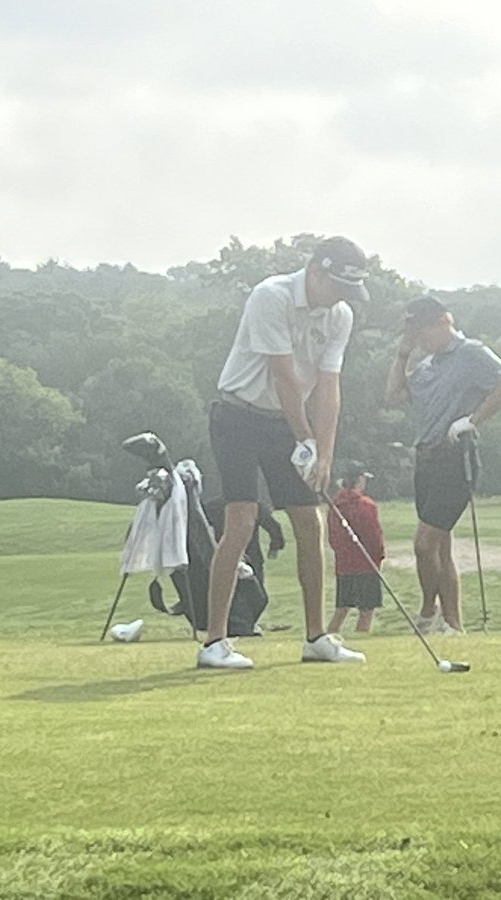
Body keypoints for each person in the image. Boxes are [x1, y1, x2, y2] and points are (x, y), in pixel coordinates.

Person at [198, 236, 372, 669]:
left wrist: (325, 453)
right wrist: (306, 440)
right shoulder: (270, 296)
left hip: (282, 425)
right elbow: (284, 377)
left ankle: (315, 637)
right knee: (241, 520)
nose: (341, 299)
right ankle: (214, 643)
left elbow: (329, 387)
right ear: (315, 270)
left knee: (309, 524)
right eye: (337, 286)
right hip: (237, 415)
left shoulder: (339, 316)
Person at [384, 295, 501, 633]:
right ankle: (454, 624)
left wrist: (473, 420)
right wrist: (403, 354)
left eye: (423, 332)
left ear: (444, 322)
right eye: (415, 334)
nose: (420, 340)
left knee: (424, 544)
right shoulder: (429, 365)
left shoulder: (471, 353)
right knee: (441, 547)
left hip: (455, 456)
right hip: (426, 458)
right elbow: (394, 396)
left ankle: (428, 611)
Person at [326, 464, 385, 633]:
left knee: (342, 608)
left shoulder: (335, 506)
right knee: (366, 611)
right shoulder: (367, 506)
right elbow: (374, 536)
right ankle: (361, 639)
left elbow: (333, 537)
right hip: (366, 564)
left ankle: (328, 636)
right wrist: (379, 555)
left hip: (343, 564)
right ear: (359, 480)